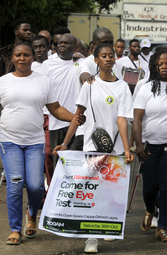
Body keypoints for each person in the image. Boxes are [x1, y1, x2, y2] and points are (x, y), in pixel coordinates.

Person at [54, 43, 134, 253]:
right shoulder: (89, 85)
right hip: (92, 147)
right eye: (103, 56)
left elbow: (122, 120)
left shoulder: (123, 87)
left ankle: (106, 227)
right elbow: (78, 117)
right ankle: (91, 238)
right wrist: (65, 143)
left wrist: (126, 150)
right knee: (94, 192)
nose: (108, 59)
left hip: (115, 149)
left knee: (110, 193)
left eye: (110, 56)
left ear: (115, 60)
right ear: (96, 60)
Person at [0, 42, 82, 245]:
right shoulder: (3, 81)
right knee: (15, 184)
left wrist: (75, 117)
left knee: (36, 186)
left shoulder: (43, 81)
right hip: (9, 140)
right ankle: (15, 229)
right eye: (17, 55)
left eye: (26, 55)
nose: (21, 58)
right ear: (12, 58)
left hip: (35, 141)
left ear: (32, 58)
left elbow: (55, 108)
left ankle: (32, 215)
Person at [133, 49, 167, 242]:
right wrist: (138, 145)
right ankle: (150, 209)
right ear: (154, 66)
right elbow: (137, 119)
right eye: (160, 64)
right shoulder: (145, 88)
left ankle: (162, 227)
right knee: (150, 187)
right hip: (149, 146)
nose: (164, 67)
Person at [40, 33, 82, 166]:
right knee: (56, 159)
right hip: (56, 120)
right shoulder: (48, 64)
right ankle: (53, 185)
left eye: (66, 43)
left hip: (79, 121)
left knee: (76, 161)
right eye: (60, 43)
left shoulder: (82, 63)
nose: (62, 45)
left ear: (75, 47)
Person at [31, 35, 54, 195]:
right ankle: (39, 193)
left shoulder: (53, 63)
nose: (39, 50)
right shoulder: (29, 66)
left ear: (48, 47)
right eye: (36, 47)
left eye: (42, 47)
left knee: (48, 154)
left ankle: (51, 190)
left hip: (51, 115)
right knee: (36, 157)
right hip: (34, 115)